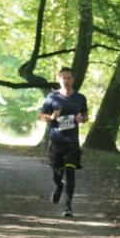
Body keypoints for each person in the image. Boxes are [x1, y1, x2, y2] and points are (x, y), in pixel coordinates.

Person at [37, 67, 89, 218]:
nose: (66, 81)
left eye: (68, 78)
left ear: (73, 80)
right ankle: (59, 186)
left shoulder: (80, 98)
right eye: (63, 78)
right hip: (56, 141)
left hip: (72, 142)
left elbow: (85, 116)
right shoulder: (52, 98)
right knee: (57, 174)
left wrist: (82, 119)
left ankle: (68, 206)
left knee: (70, 172)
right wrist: (52, 117)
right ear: (59, 80)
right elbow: (40, 116)